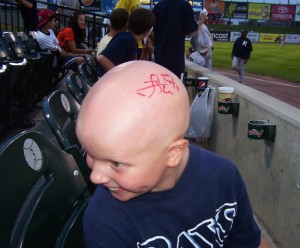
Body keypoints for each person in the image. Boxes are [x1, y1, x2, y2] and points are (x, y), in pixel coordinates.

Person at [76, 60, 261, 247]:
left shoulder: (224, 176)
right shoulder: (105, 220)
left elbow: (250, 241)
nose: (95, 177)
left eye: (116, 164)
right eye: (90, 153)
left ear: (174, 154)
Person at [152, 0, 208, 79]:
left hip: (159, 54)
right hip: (175, 57)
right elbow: (191, 32)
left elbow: (152, 33)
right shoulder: (185, 6)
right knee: (175, 86)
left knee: (159, 84)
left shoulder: (158, 6)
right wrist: (202, 20)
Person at [97, 8, 155, 76]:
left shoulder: (131, 40)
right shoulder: (127, 39)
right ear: (146, 32)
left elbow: (136, 69)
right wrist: (120, 77)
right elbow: (102, 58)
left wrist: (145, 53)